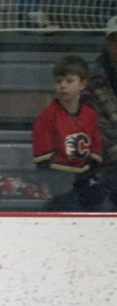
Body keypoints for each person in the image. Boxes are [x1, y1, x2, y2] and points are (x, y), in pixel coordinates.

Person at [32, 55, 105, 211]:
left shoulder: (90, 114)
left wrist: (91, 171)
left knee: (104, 205)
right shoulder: (47, 116)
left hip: (84, 174)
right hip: (58, 175)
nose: (63, 86)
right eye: (58, 81)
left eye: (69, 81)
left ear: (83, 84)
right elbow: (42, 154)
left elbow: (96, 146)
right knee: (72, 209)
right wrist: (47, 179)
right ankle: (50, 208)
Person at [85, 16, 117, 208]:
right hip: (109, 163)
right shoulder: (93, 80)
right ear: (107, 42)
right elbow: (97, 127)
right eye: (114, 39)